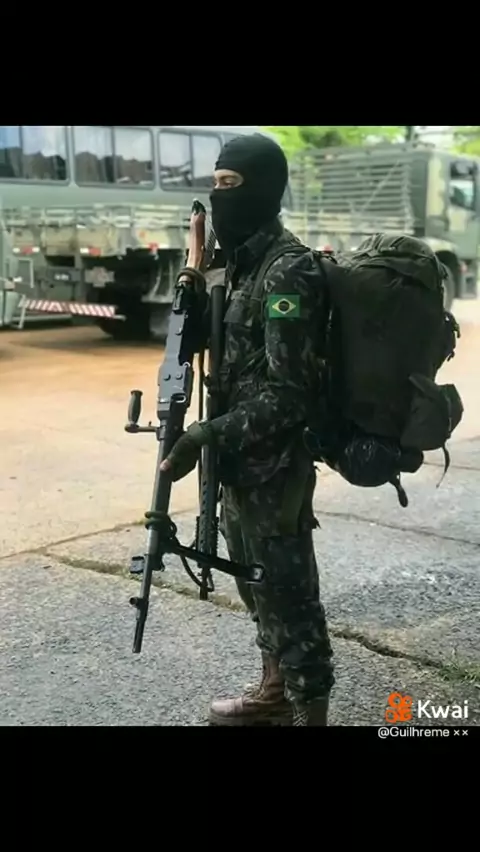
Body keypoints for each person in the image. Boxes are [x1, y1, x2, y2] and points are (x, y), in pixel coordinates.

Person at [160, 133, 335, 726]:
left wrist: (204, 436)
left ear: (262, 188)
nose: (219, 196)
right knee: (255, 585)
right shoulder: (237, 267)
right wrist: (194, 271)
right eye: (214, 184)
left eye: (230, 184)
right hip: (238, 460)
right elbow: (201, 347)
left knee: (288, 593)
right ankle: (274, 693)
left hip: (275, 467)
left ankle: (311, 711)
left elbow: (290, 395)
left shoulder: (287, 271)